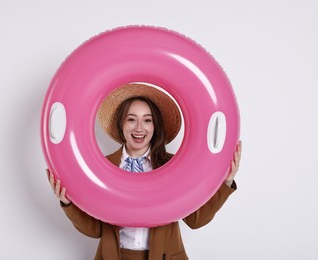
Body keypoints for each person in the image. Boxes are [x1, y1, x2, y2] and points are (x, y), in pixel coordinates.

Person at [47, 83, 242, 260]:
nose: (139, 128)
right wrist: (67, 202)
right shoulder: (101, 168)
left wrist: (225, 183)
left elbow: (195, 220)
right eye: (131, 119)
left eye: (147, 120)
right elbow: (95, 229)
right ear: (121, 124)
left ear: (155, 126)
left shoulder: (174, 166)